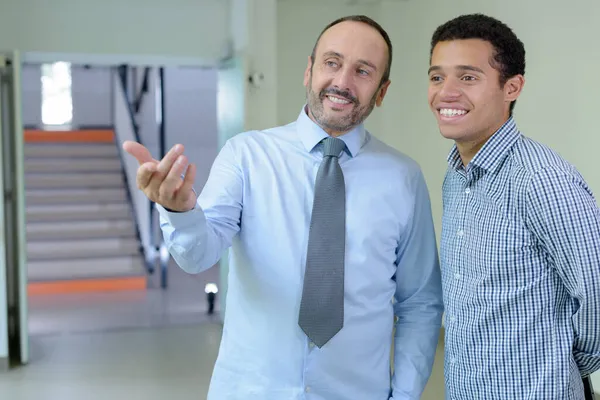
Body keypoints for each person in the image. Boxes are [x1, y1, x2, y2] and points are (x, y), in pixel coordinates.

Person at [124, 15, 443, 400]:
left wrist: (405, 396)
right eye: (332, 62)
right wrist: (180, 212)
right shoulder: (246, 155)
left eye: (363, 70)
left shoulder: (404, 178)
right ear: (309, 70)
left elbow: (420, 303)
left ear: (382, 90)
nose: (342, 81)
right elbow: (197, 255)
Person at [427, 13, 600, 399]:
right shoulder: (455, 176)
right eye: (437, 77)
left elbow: (598, 294)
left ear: (512, 87)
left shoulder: (542, 179)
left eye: (468, 77)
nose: (446, 92)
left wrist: (558, 363)